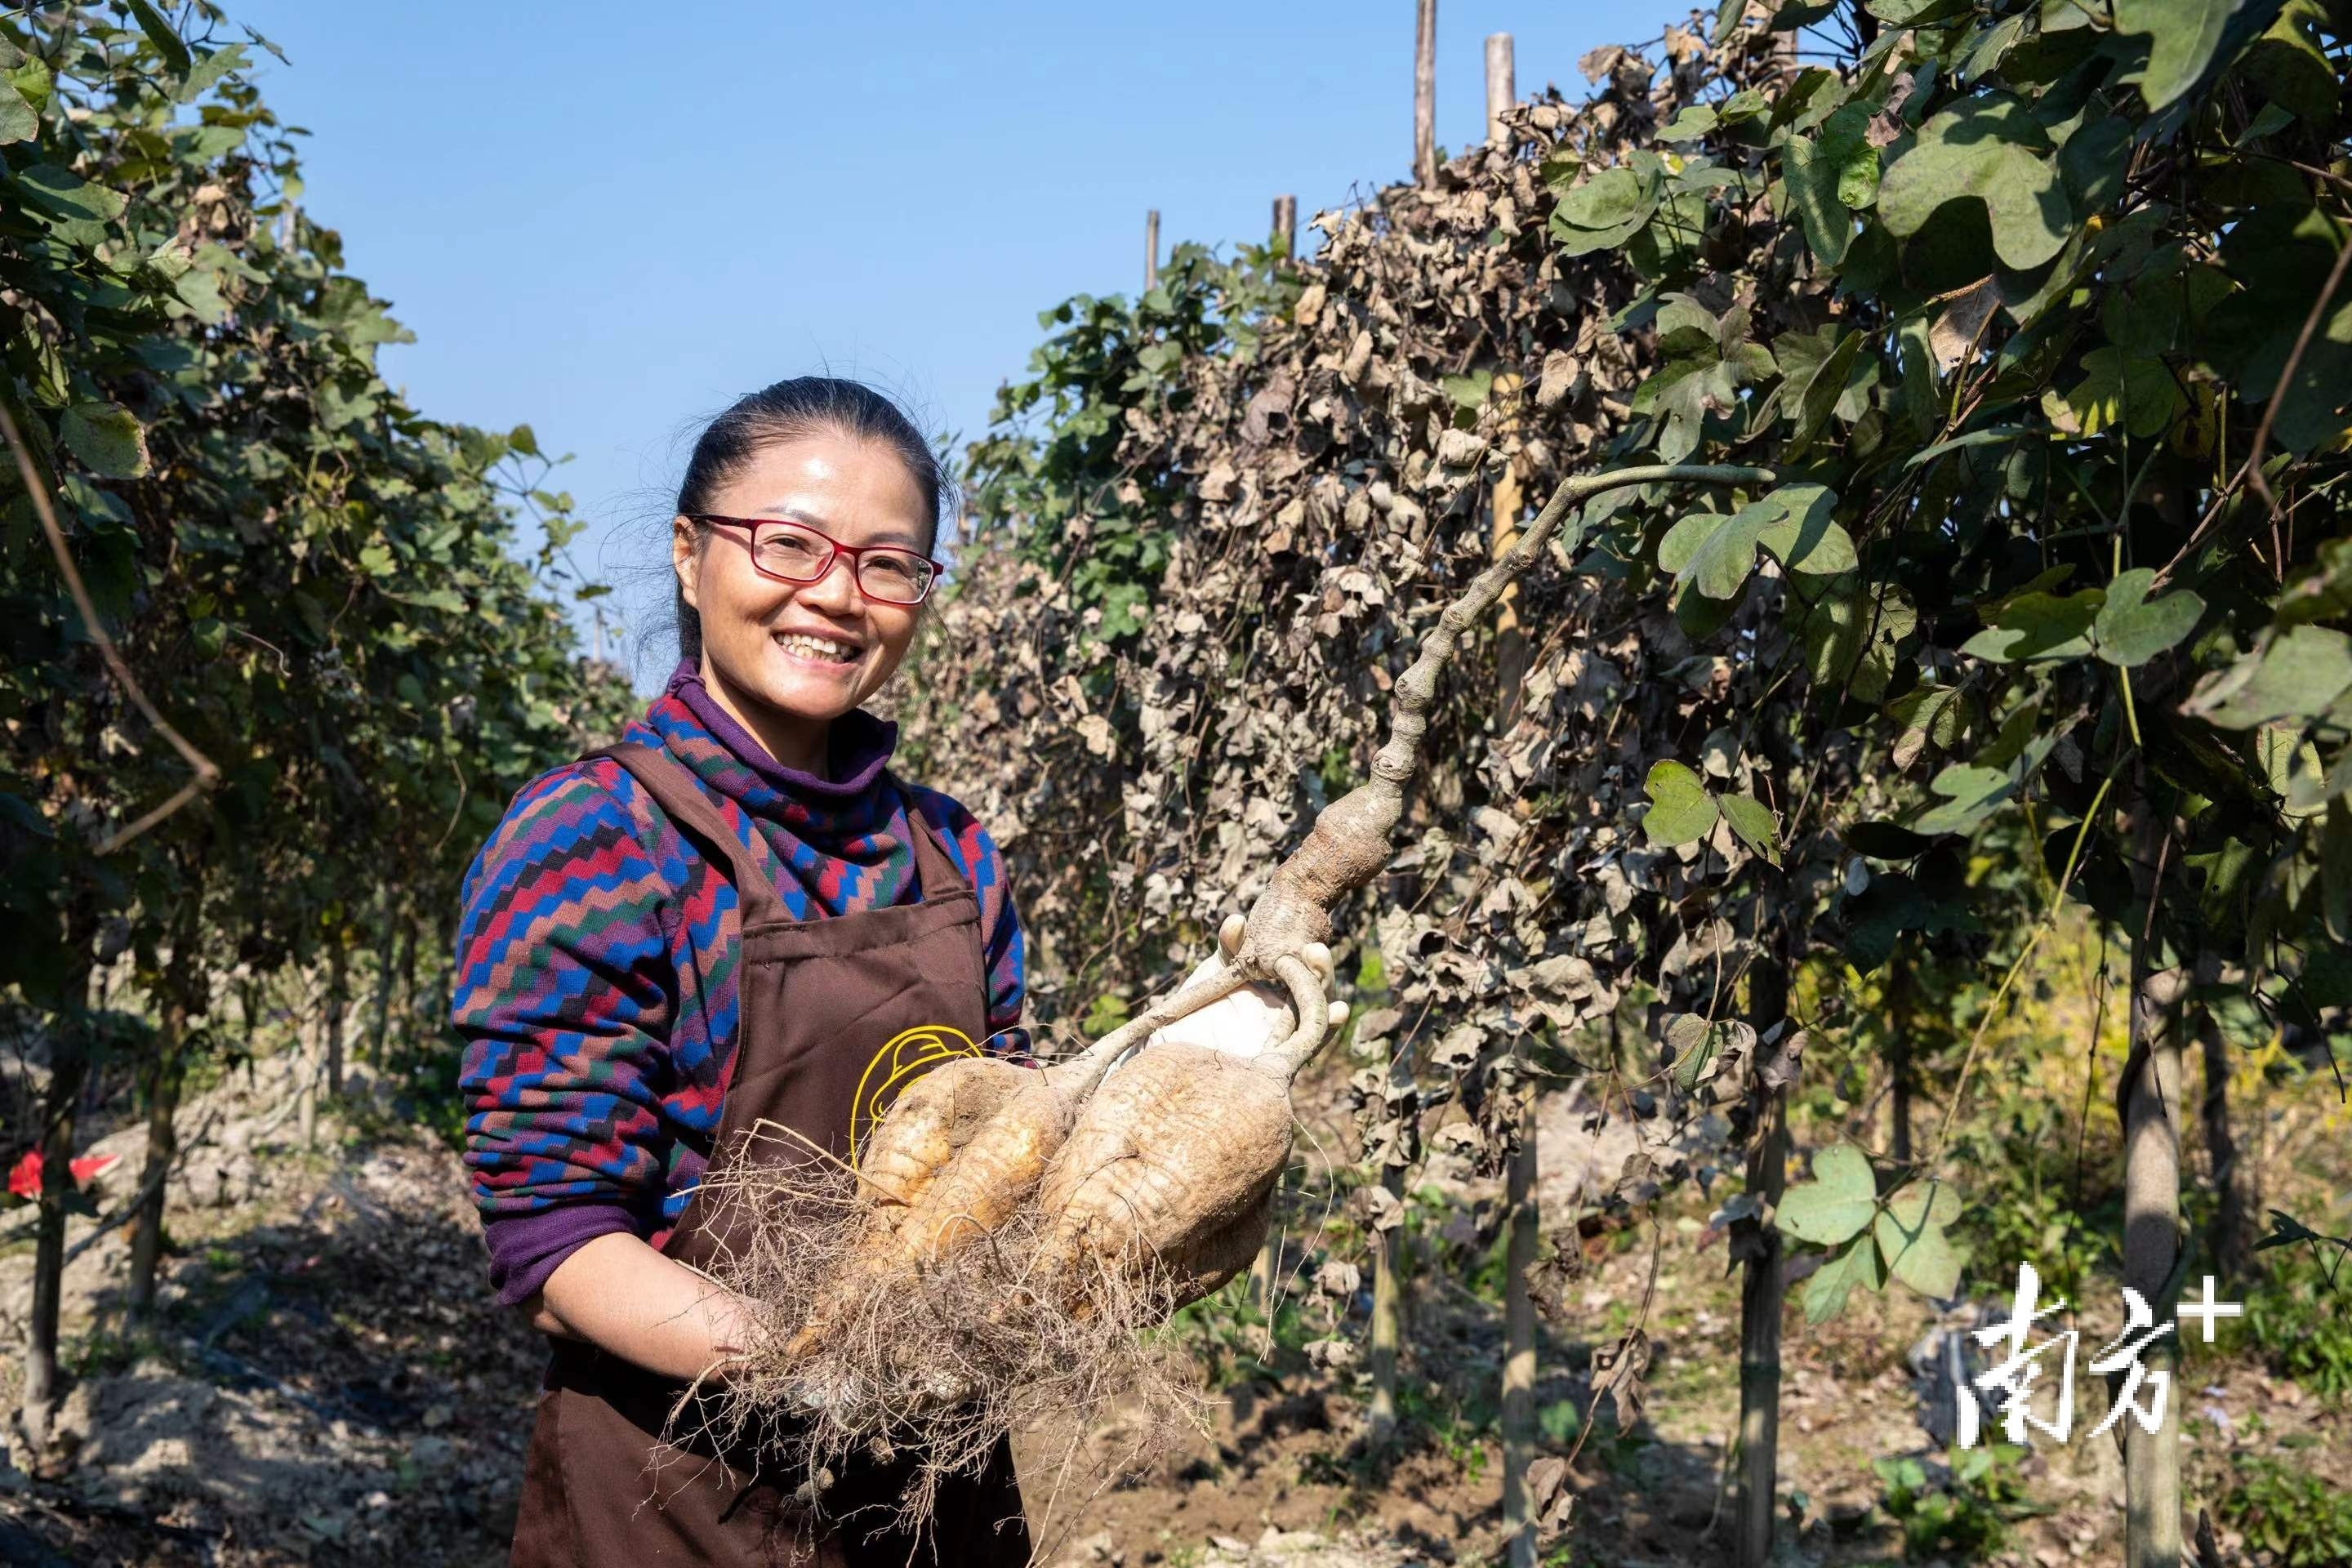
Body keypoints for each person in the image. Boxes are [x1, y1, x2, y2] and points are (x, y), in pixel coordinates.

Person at [452, 376, 1324, 1566]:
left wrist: (1217, 1067)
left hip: (938, 1501)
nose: (835, 594)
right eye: (790, 544)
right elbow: (556, 1250)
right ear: (689, 551)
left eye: (886, 565)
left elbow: (1016, 1150)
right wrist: (815, 1366)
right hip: (673, 1507)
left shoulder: (951, 854)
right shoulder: (593, 841)